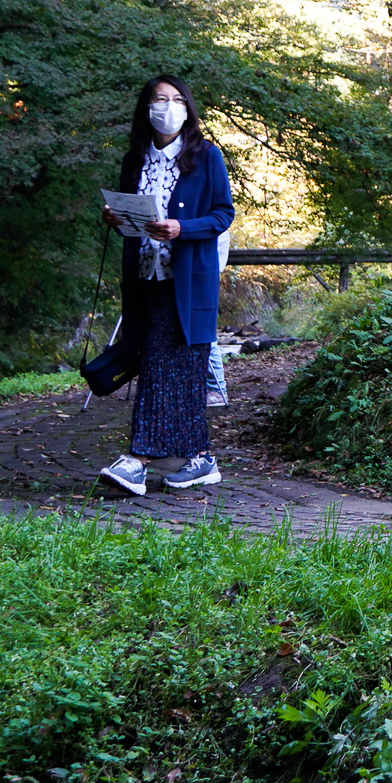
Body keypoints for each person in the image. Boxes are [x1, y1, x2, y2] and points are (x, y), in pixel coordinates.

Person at [96, 76, 235, 496]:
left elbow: (222, 215)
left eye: (176, 99)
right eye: (160, 99)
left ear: (188, 109)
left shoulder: (206, 156)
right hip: (144, 277)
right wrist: (116, 220)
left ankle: (136, 461)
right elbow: (132, 218)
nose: (168, 106)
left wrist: (181, 228)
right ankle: (201, 459)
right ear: (147, 108)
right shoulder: (134, 159)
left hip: (187, 280)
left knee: (161, 365)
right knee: (179, 371)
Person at [205, 227, 231, 409]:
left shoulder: (216, 225)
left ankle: (217, 388)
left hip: (204, 279)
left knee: (206, 335)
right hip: (204, 278)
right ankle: (214, 388)